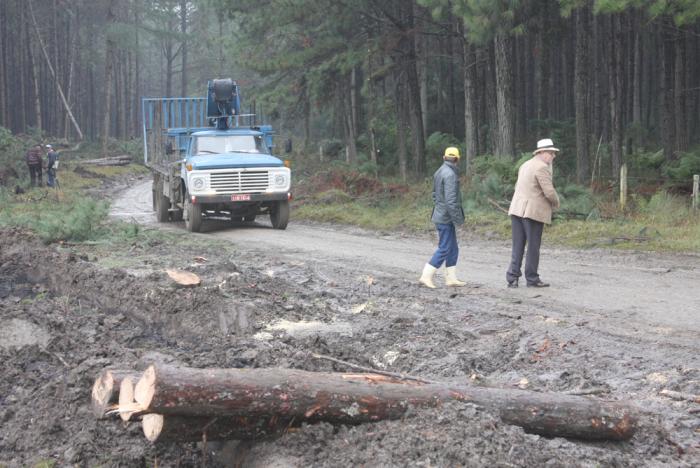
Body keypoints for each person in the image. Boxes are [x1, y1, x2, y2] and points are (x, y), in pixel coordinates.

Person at [506, 138, 561, 288]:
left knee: (518, 244)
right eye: (551, 153)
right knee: (533, 246)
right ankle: (532, 278)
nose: (553, 156)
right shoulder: (542, 167)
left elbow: (518, 185)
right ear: (542, 152)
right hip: (533, 212)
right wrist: (557, 203)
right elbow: (549, 192)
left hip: (517, 209)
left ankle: (512, 277)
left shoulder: (525, 165)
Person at [419, 146, 467, 289]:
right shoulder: (451, 175)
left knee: (453, 248)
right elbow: (451, 201)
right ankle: (426, 276)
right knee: (445, 247)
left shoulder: (439, 172)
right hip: (446, 218)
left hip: (441, 215)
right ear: (457, 159)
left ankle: (451, 278)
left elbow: (435, 195)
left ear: (444, 157)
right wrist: (458, 220)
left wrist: (440, 208)